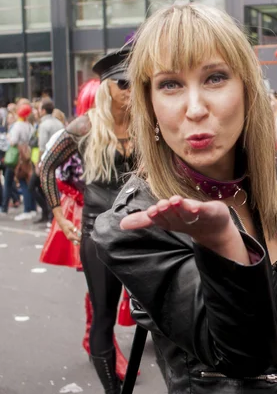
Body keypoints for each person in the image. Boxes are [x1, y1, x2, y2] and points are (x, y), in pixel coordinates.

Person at [92, 4, 277, 394]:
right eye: (170, 85)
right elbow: (242, 356)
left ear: (247, 90)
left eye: (215, 78)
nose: (196, 109)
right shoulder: (134, 222)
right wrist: (222, 247)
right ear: (149, 104)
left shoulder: (263, 181)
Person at [41, 49, 135, 393]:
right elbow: (46, 166)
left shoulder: (148, 123)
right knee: (104, 317)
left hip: (143, 231)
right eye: (123, 84)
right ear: (107, 87)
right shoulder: (86, 126)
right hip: (99, 234)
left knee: (161, 315)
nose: (130, 91)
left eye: (135, 83)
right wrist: (61, 219)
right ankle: (113, 391)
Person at [31, 98, 64, 224]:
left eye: (39, 109)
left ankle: (50, 215)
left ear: (43, 110)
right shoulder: (58, 123)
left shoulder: (44, 125)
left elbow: (42, 146)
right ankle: (50, 215)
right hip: (60, 160)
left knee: (36, 186)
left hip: (48, 161)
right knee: (53, 188)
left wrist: (39, 164)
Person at [3, 103, 36, 219]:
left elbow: (13, 141)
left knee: (22, 181)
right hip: (28, 154)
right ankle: (32, 208)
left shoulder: (17, 126)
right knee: (29, 181)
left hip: (20, 157)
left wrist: (8, 137)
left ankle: (27, 209)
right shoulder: (29, 126)